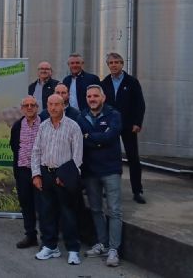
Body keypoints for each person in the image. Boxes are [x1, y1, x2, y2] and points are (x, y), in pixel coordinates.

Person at [31, 94, 83, 265]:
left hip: (64, 175)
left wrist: (67, 177)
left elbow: (77, 157)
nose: (53, 108)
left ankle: (73, 249)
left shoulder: (73, 126)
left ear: (63, 106)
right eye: (50, 104)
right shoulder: (43, 126)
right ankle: (50, 246)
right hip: (46, 173)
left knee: (68, 213)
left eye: (57, 104)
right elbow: (36, 152)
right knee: (46, 212)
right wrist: (36, 174)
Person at [77, 84, 123, 267]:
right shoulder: (81, 116)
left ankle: (114, 249)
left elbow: (110, 137)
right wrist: (96, 139)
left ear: (103, 98)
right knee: (96, 209)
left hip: (110, 169)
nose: (92, 99)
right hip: (90, 171)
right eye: (89, 96)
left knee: (114, 210)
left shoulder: (114, 115)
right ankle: (102, 243)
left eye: (96, 96)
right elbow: (81, 139)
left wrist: (90, 137)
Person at [101, 52, 147, 204]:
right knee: (108, 158)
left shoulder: (131, 82)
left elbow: (139, 104)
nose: (113, 65)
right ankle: (108, 189)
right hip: (110, 126)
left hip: (128, 125)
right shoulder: (105, 82)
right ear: (108, 65)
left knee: (133, 158)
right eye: (111, 63)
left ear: (122, 64)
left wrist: (137, 123)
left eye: (116, 62)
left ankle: (137, 191)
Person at [9, 96, 42, 249]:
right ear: (22, 109)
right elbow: (14, 147)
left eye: (32, 105)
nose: (29, 107)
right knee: (26, 204)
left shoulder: (44, 124)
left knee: (44, 205)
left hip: (41, 172)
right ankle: (30, 235)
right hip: (22, 170)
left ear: (37, 107)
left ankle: (48, 238)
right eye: (26, 105)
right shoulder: (17, 126)